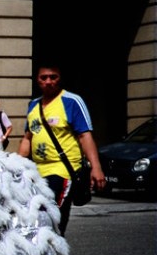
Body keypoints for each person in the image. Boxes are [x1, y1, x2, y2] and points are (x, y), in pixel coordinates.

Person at [17, 65, 105, 235]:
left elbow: (85, 136)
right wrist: (16, 165)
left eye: (53, 77)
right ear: (37, 80)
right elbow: (28, 138)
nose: (48, 81)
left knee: (53, 218)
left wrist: (96, 167)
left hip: (63, 170)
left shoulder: (72, 101)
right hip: (38, 172)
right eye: (44, 78)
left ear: (60, 78)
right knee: (37, 218)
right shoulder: (33, 105)